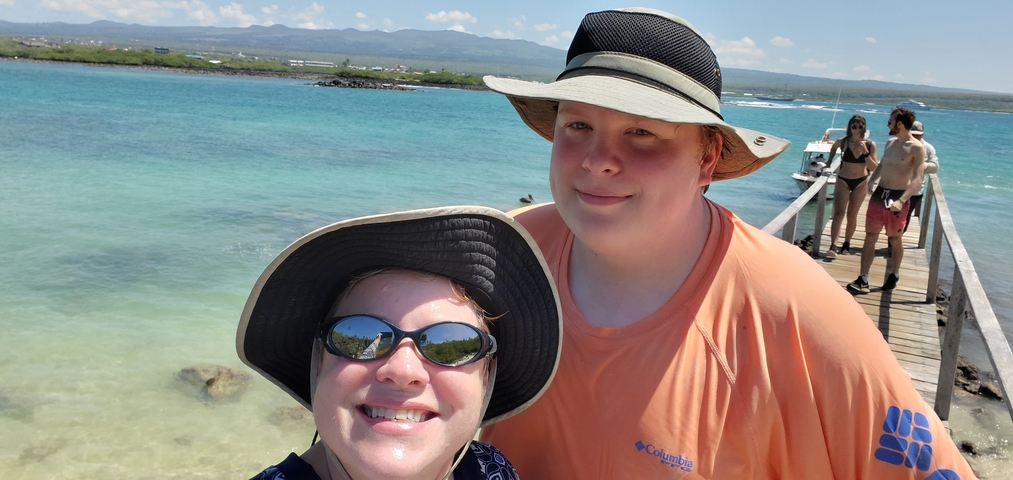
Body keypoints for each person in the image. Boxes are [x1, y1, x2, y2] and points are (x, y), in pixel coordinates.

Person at [481, 7, 974, 479]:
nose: (597, 161)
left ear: (707, 157)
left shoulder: (794, 310)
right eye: (578, 125)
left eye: (641, 132)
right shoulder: (501, 251)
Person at [237, 206, 562, 480]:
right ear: (318, 361)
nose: (403, 369)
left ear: (487, 376)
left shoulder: (491, 470)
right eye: (361, 336)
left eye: (453, 344)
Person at [847, 108, 926, 293]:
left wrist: (902, 200)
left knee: (894, 238)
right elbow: (883, 164)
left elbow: (917, 179)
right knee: (870, 236)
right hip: (879, 194)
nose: (887, 124)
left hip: (898, 197)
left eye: (890, 121)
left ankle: (894, 273)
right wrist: (873, 179)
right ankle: (863, 278)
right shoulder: (890, 143)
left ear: (899, 124)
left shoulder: (916, 147)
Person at [825, 115, 878, 258]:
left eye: (860, 127)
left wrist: (865, 153)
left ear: (864, 127)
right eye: (854, 126)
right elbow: (833, 147)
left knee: (852, 215)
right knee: (838, 214)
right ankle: (833, 245)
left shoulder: (869, 144)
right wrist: (829, 162)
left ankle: (847, 243)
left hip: (861, 182)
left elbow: (873, 167)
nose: (856, 129)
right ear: (849, 127)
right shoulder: (843, 142)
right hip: (843, 180)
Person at [905, 120, 940, 231]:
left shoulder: (928, 148)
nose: (915, 137)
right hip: (897, 187)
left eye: (918, 135)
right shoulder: (901, 144)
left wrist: (921, 165)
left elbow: (935, 167)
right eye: (913, 134)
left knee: (905, 216)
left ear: (922, 135)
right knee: (893, 216)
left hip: (915, 191)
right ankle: (893, 243)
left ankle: (893, 245)